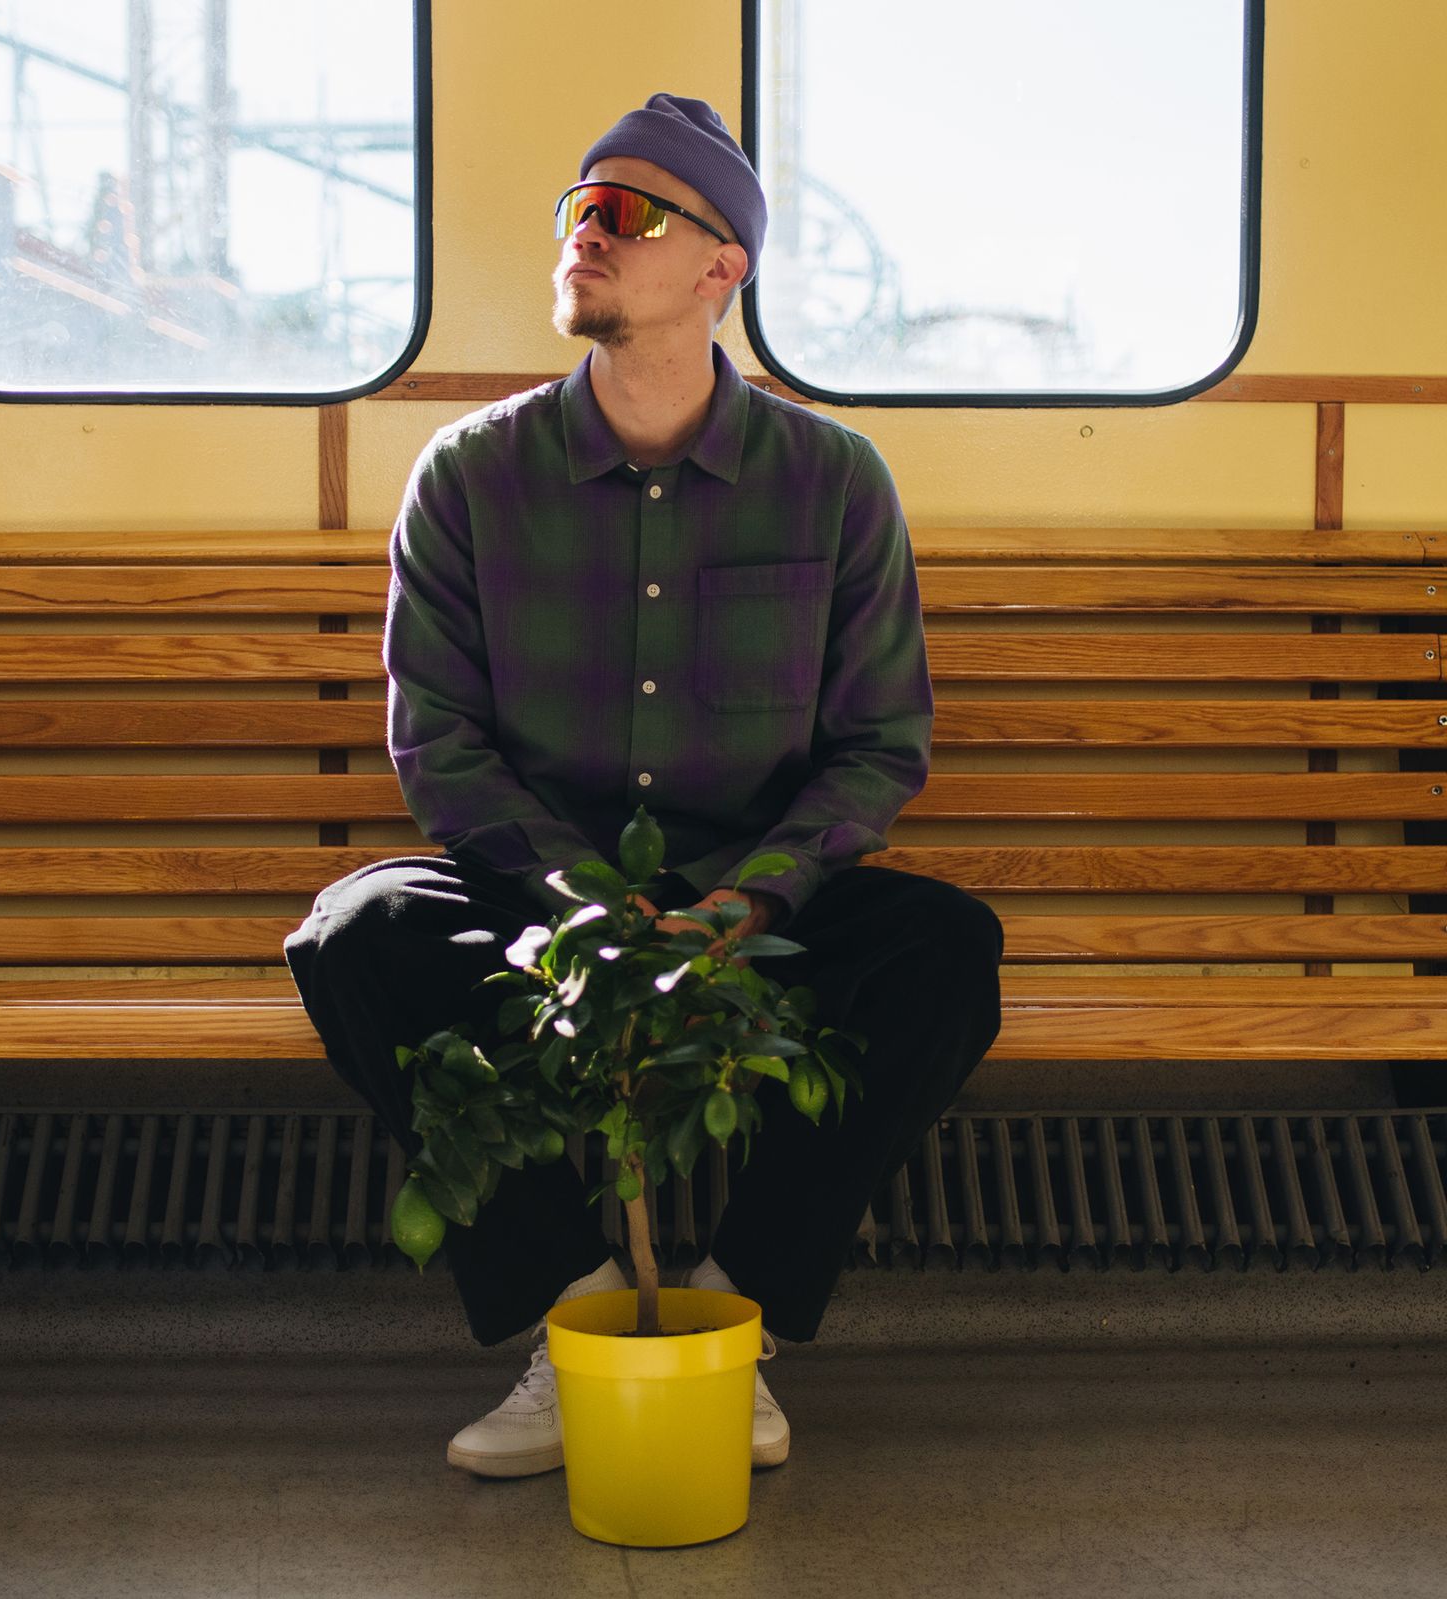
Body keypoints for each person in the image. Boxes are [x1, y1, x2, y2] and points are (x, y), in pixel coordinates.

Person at [282, 92, 1004, 1480]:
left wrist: (752, 900)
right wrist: (580, 902)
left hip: (754, 900)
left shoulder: (834, 481)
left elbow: (877, 742)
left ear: (723, 266)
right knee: (357, 934)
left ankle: (732, 1320)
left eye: (625, 213)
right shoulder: (472, 476)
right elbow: (439, 741)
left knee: (944, 951)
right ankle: (582, 1315)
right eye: (577, 208)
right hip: (539, 894)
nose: (585, 234)